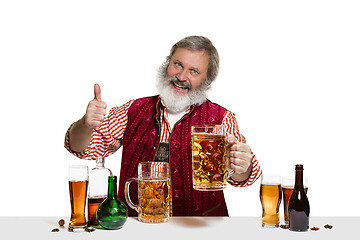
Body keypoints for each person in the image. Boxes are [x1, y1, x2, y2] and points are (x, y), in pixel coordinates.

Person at [65, 36, 262, 216]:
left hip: (201, 229)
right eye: (178, 65)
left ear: (207, 80)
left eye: (194, 71)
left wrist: (241, 164)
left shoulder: (221, 118)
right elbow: (81, 148)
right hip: (138, 227)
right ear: (167, 64)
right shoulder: (133, 109)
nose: (182, 76)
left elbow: (242, 176)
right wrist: (86, 124)